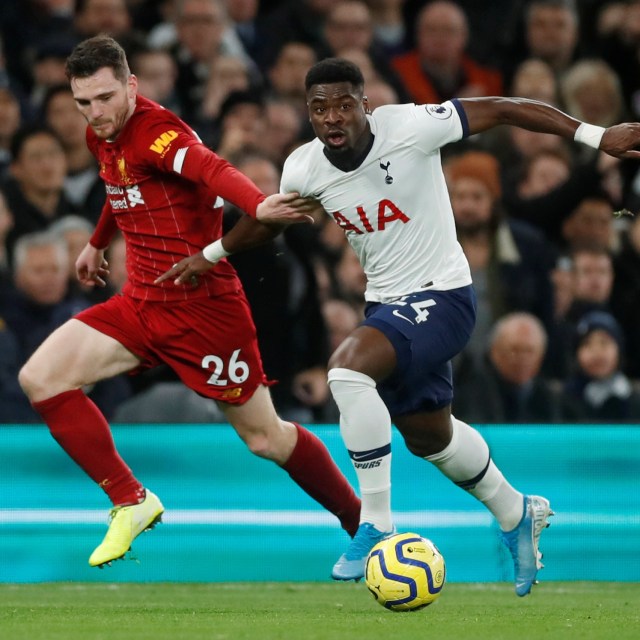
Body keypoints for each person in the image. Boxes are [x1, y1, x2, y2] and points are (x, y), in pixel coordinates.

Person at [162, 58, 640, 596]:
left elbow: (505, 108)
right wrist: (211, 252)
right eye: (319, 108)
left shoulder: (412, 127)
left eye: (344, 104)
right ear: (308, 114)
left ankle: (377, 524)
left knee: (346, 372)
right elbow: (267, 218)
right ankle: (516, 511)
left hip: (445, 295)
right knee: (429, 437)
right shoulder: (304, 168)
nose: (333, 117)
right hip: (387, 306)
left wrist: (597, 136)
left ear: (365, 105)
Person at [17, 36, 361, 570]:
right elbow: (119, 186)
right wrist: (96, 241)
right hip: (142, 303)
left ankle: (362, 525)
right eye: (84, 102)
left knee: (266, 439)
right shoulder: (99, 134)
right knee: (41, 378)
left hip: (204, 310)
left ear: (131, 85)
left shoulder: (157, 134)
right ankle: (130, 499)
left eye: (106, 97)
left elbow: (209, 167)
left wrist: (257, 203)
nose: (96, 113)